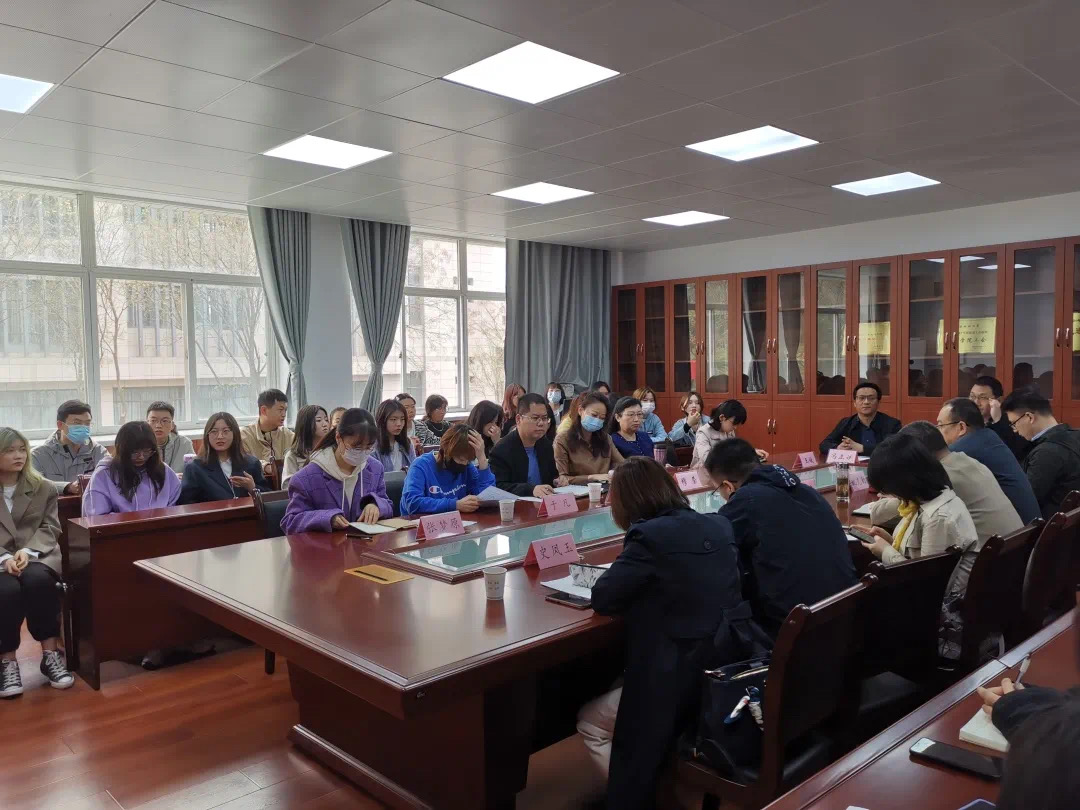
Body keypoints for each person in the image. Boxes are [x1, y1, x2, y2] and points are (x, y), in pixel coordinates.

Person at [578, 456, 765, 810]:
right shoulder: (718, 524)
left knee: (591, 721)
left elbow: (604, 596)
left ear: (625, 502)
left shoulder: (648, 537)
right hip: (725, 671)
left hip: (677, 685)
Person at [705, 439, 856, 637]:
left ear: (727, 486)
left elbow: (715, 546)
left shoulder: (746, 499)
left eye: (717, 491)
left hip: (797, 630)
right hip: (846, 617)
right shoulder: (808, 491)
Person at [859, 434, 979, 658]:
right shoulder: (931, 499)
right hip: (929, 600)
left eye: (888, 488)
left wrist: (885, 551)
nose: (887, 494)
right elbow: (920, 557)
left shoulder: (938, 517)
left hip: (938, 619)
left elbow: (924, 583)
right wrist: (889, 540)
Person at [0, 427, 74, 697]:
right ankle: (7, 662)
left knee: (39, 582)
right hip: (0, 559)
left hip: (37, 554)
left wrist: (28, 551)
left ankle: (50, 656)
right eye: (10, 451)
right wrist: (4, 557)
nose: (18, 456)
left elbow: (50, 527)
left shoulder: (42, 486)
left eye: (22, 450)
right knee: (6, 591)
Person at [872, 422, 1021, 546]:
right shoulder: (968, 461)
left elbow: (878, 515)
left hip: (987, 562)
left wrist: (895, 493)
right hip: (1011, 551)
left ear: (917, 454)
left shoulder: (940, 479)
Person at [281, 408, 393, 533]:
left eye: (369, 447)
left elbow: (387, 503)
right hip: (328, 544)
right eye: (356, 447)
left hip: (365, 542)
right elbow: (291, 521)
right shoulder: (305, 478)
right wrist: (327, 518)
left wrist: (376, 505)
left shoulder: (375, 468)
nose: (362, 453)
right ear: (338, 437)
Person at [937, 397, 1041, 525]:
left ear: (961, 427)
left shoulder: (961, 451)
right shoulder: (989, 436)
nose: (938, 432)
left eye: (941, 425)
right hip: (1028, 527)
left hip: (1017, 530)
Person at [1002, 387, 1080, 519]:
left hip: (1050, 525)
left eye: (1013, 423)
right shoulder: (1075, 435)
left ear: (1029, 417)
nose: (1014, 430)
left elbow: (1025, 500)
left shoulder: (1046, 453)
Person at [83, 421, 181, 515]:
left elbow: (175, 506)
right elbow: (98, 517)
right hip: (121, 526)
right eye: (135, 452)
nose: (141, 457)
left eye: (147, 451)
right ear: (121, 450)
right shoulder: (104, 474)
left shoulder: (163, 470)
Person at [400, 423, 495, 515]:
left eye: (469, 460)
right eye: (461, 459)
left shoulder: (467, 466)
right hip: (419, 522)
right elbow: (412, 502)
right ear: (446, 451)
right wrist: (455, 505)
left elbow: (487, 498)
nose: (464, 464)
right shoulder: (421, 465)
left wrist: (482, 458)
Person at [489, 393, 566, 497]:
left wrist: (557, 481)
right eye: (535, 418)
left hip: (544, 502)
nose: (541, 423)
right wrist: (531, 490)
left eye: (544, 418)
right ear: (518, 419)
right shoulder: (501, 450)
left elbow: (551, 477)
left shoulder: (545, 445)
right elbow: (499, 487)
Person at [180, 412, 268, 504]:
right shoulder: (194, 468)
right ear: (207, 435)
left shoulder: (251, 463)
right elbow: (186, 503)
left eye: (226, 431)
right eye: (214, 432)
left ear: (235, 434)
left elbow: (269, 499)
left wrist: (252, 488)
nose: (220, 436)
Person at [32, 399, 107, 495]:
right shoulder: (38, 455)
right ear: (60, 425)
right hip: (55, 504)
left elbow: (111, 479)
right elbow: (34, 484)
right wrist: (66, 487)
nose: (83, 428)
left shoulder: (98, 451)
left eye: (87, 423)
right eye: (77, 423)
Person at [553, 393, 625, 485]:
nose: (597, 420)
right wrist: (591, 477)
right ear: (580, 410)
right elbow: (562, 478)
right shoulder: (563, 439)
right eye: (594, 415)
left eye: (602, 418)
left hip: (604, 488)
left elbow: (622, 464)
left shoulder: (606, 438)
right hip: (577, 490)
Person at [819, 381, 901, 456]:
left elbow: (893, 448)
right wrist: (838, 448)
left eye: (871, 398)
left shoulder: (892, 424)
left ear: (878, 403)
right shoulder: (846, 422)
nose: (866, 402)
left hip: (881, 466)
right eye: (861, 398)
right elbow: (824, 444)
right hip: (854, 467)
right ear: (855, 403)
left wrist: (862, 448)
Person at [691, 400, 768, 468]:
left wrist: (752, 452)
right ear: (722, 418)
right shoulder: (703, 433)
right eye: (734, 424)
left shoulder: (728, 431)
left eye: (737, 425)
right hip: (702, 475)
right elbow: (707, 461)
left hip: (723, 473)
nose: (735, 427)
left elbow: (736, 450)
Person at [970, 375, 1029, 459]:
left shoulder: (1013, 421)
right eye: (972, 396)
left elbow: (1014, 453)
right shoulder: (965, 420)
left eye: (982, 397)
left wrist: (997, 421)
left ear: (999, 400)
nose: (976, 402)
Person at [240, 389, 294, 474]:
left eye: (285, 410)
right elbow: (244, 462)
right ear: (264, 410)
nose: (284, 414)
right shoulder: (244, 435)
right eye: (280, 410)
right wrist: (265, 466)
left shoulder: (289, 436)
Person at [282, 405, 330, 488]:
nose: (325, 424)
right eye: (318, 420)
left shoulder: (331, 451)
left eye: (326, 420)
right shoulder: (292, 455)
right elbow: (287, 486)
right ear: (306, 424)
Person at [146, 401, 194, 474]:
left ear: (172, 425)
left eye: (165, 421)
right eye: (153, 420)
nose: (158, 425)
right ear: (146, 423)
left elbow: (193, 470)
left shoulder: (184, 443)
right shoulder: (139, 445)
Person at [374, 399, 415, 473]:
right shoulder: (373, 445)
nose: (399, 424)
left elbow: (414, 470)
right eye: (393, 419)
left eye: (402, 419)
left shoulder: (407, 443)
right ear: (382, 421)